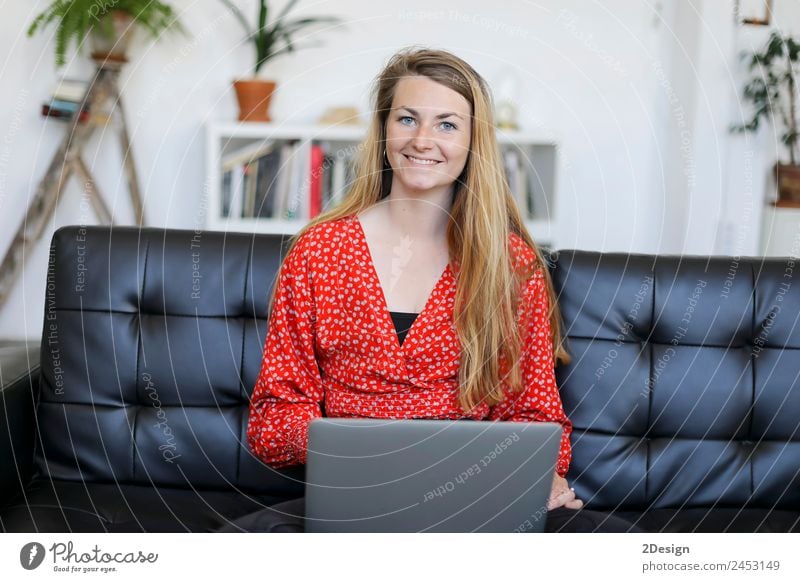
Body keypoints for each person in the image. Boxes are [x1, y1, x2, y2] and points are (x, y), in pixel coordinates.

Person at [224, 47, 638, 533]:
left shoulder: (509, 263)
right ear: (382, 132)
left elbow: (533, 411)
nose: (423, 140)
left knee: (620, 543)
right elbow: (275, 417)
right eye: (407, 119)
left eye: (447, 124)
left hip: (479, 498)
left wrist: (543, 473)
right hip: (350, 498)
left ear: (472, 142)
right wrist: (352, 450)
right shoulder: (319, 250)